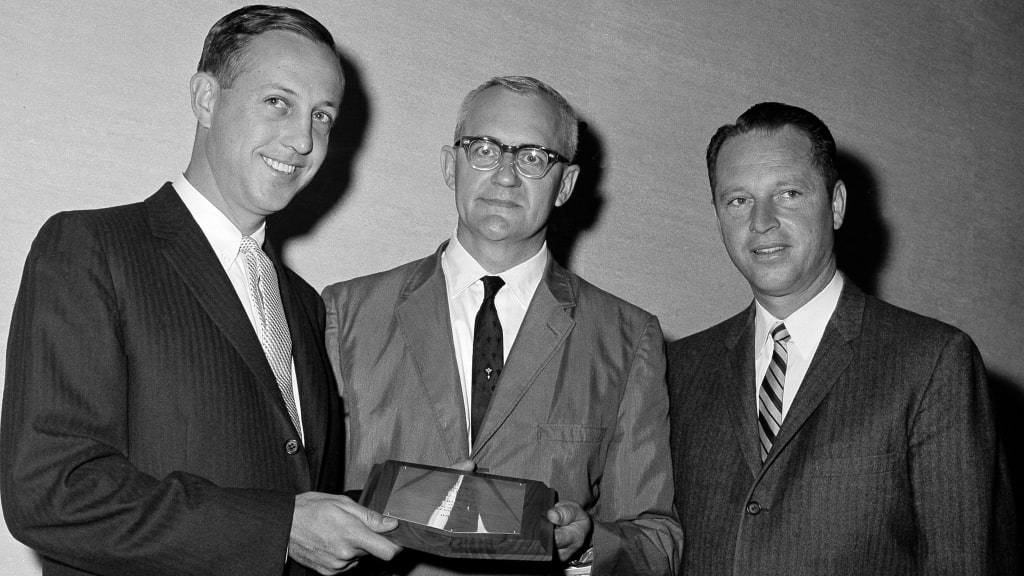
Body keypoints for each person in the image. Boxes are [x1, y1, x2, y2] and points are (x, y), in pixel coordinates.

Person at [0, 6, 401, 575]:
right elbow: (51, 491)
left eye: (323, 116)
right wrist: (280, 528)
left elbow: (297, 497)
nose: (303, 139)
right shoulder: (92, 247)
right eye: (278, 102)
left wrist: (429, 511)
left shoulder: (306, 305)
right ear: (206, 99)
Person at [322, 76, 681, 575]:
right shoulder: (348, 312)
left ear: (567, 184)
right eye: (485, 149)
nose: (507, 176)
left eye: (534, 157)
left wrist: (586, 546)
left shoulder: (627, 338)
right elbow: (303, 505)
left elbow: (655, 540)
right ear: (452, 165)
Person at [668, 101, 1018, 575]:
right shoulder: (679, 368)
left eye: (788, 193)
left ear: (835, 205)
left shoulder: (933, 361)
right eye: (738, 200)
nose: (761, 221)